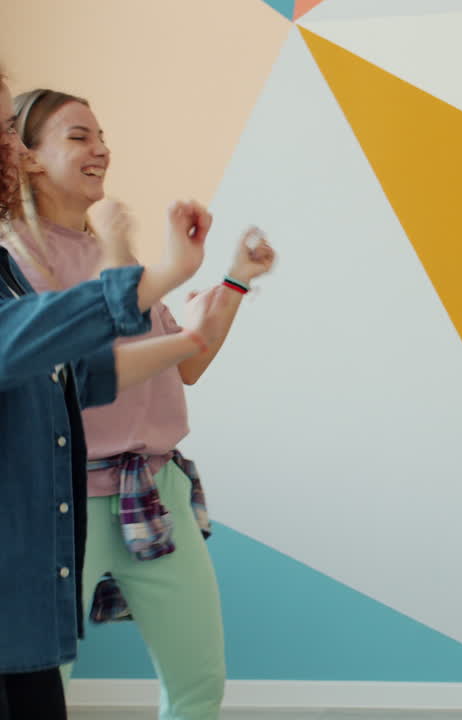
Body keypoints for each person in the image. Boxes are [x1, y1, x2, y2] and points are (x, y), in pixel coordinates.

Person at [3, 87, 276, 720]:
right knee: (37, 687)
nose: (101, 149)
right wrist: (131, 260)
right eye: (79, 137)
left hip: (156, 491)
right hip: (65, 499)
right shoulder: (16, 261)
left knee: (199, 684)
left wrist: (235, 279)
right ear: (29, 157)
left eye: (102, 137)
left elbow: (186, 362)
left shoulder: (118, 259)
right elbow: (87, 370)